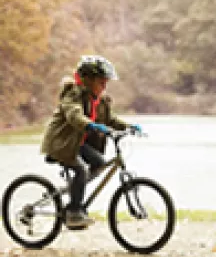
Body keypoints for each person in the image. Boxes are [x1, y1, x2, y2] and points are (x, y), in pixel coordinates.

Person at [40, 55, 141, 229]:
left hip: (77, 143)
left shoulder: (99, 100)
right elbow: (74, 115)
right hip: (62, 143)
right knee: (80, 170)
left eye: (106, 82)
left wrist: (129, 126)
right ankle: (73, 212)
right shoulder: (73, 95)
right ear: (88, 80)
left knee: (99, 163)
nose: (105, 85)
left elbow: (110, 119)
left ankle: (74, 192)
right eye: (101, 81)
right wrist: (91, 125)